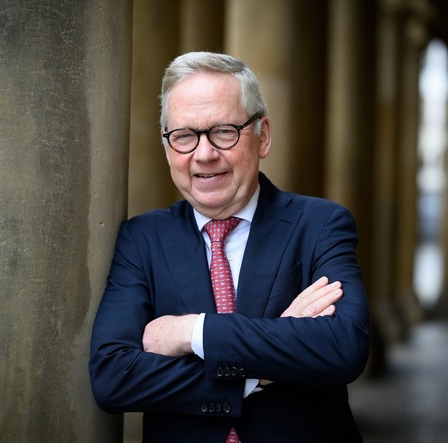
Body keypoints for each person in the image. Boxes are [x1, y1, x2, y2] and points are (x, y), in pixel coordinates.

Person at [89, 51, 370, 442]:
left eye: (224, 131)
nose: (204, 154)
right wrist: (262, 367)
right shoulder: (142, 239)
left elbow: (343, 347)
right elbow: (113, 378)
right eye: (184, 136)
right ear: (168, 147)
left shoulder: (320, 225)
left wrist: (193, 332)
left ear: (263, 136)